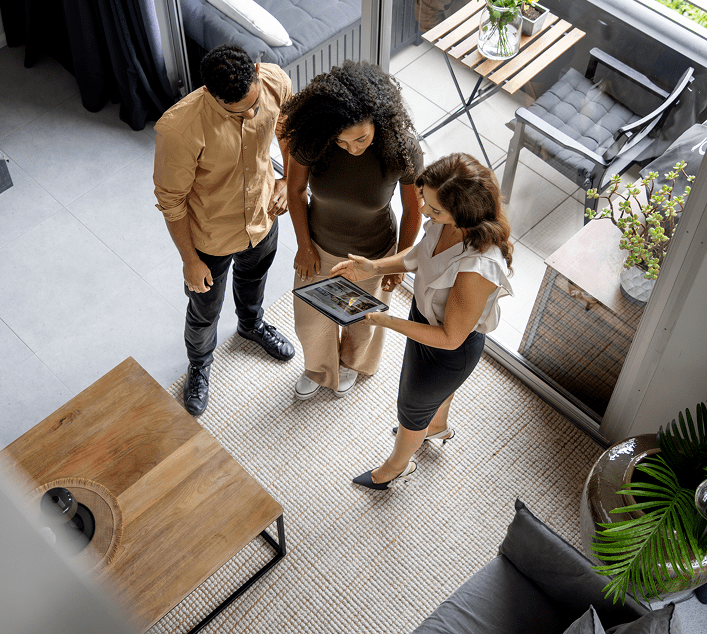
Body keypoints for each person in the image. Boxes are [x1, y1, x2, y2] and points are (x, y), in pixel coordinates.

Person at [331, 153, 513, 489]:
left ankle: (396, 467)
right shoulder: (446, 223)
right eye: (426, 204)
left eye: (434, 210)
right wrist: (375, 267)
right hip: (424, 321)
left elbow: (449, 338)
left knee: (411, 408)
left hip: (448, 349)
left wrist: (385, 321)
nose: (425, 213)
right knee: (429, 402)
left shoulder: (478, 267)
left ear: (464, 211)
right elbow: (418, 256)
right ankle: (436, 427)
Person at [153, 44, 296, 417]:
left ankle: (251, 326)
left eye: (254, 105)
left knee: (255, 281)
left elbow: (288, 128)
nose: (252, 113)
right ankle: (199, 364)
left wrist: (286, 181)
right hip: (211, 238)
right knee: (205, 311)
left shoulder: (274, 80)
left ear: (255, 69)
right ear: (211, 95)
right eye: (239, 112)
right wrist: (189, 261)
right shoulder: (179, 130)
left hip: (263, 218)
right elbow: (172, 202)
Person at [279, 61, 423, 399]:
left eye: (360, 138)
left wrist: (399, 262)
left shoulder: (402, 150)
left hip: (373, 254)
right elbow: (296, 190)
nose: (353, 148)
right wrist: (304, 245)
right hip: (319, 244)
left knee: (360, 321)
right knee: (310, 320)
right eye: (342, 143)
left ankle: (352, 364)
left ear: (378, 119)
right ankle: (318, 368)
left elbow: (414, 210)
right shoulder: (313, 141)